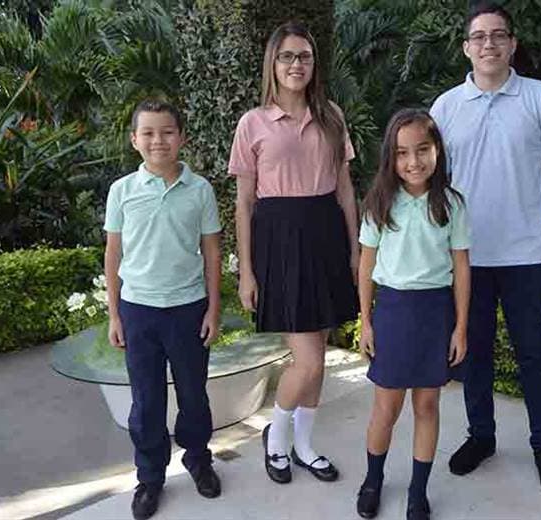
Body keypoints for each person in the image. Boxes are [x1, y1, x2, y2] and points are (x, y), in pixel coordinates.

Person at [429, 1, 541, 495]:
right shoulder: (446, 108)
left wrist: (534, 217)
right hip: (467, 258)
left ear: (512, 44)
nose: (488, 43)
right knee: (474, 354)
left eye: (498, 35)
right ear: (466, 48)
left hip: (525, 257)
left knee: (533, 353)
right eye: (479, 36)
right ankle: (481, 437)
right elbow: (432, 179)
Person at [228, 22, 359, 485]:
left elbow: (345, 190)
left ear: (314, 64)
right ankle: (276, 437)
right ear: (273, 63)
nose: (296, 64)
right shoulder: (253, 123)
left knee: (318, 354)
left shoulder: (332, 116)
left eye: (304, 56)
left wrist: (355, 250)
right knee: (308, 360)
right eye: (287, 56)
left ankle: (304, 446)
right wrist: (247, 271)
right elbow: (244, 203)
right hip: (279, 242)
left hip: (325, 236)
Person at [104, 99, 223, 520]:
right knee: (146, 400)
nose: (159, 140)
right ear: (134, 140)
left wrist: (213, 309)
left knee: (193, 394)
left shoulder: (200, 190)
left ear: (182, 137)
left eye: (167, 131)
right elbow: (113, 254)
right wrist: (114, 314)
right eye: (149, 133)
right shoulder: (122, 191)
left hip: (188, 309)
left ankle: (198, 459)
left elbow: (212, 252)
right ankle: (150, 476)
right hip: (138, 312)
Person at [355, 109, 470, 520]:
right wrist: (366, 322)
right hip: (393, 313)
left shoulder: (452, 204)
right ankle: (373, 480)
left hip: (435, 314)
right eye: (402, 153)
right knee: (386, 409)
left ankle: (417, 492)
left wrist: (460, 327)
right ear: (390, 157)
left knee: (427, 406)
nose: (413, 161)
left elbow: (461, 268)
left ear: (437, 150)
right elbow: (366, 266)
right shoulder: (379, 204)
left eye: (422, 150)